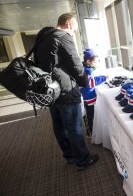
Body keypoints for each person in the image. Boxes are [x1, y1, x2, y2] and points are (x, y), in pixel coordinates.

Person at [34, 13, 99, 170]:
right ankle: (83, 159)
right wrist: (85, 83)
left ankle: (69, 155)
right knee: (74, 126)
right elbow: (76, 65)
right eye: (75, 30)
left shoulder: (43, 36)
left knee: (59, 124)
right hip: (65, 89)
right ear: (69, 25)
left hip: (49, 90)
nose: (74, 33)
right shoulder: (63, 36)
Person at [80, 49, 107, 137]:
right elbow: (92, 83)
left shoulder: (84, 68)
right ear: (88, 61)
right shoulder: (87, 71)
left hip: (86, 96)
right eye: (94, 62)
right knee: (89, 115)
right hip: (87, 97)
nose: (95, 64)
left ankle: (91, 131)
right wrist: (103, 78)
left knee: (90, 115)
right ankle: (90, 132)